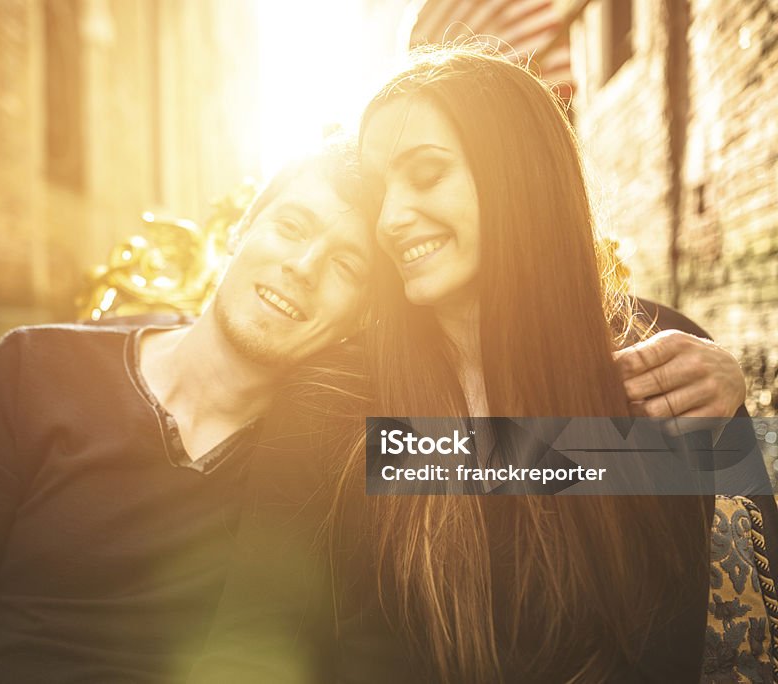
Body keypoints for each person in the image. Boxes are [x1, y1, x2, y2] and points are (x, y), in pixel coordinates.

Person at [0, 139, 746, 682]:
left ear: (365, 312)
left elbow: (527, 440)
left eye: (350, 266)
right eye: (290, 229)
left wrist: (719, 395)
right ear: (243, 231)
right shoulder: (35, 372)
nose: (304, 269)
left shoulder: (341, 440)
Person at [192, 45, 765, 684]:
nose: (390, 218)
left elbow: (711, 635)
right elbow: (254, 636)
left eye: (427, 174)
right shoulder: (334, 401)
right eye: (381, 189)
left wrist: (734, 416)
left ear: (517, 174)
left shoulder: (663, 359)